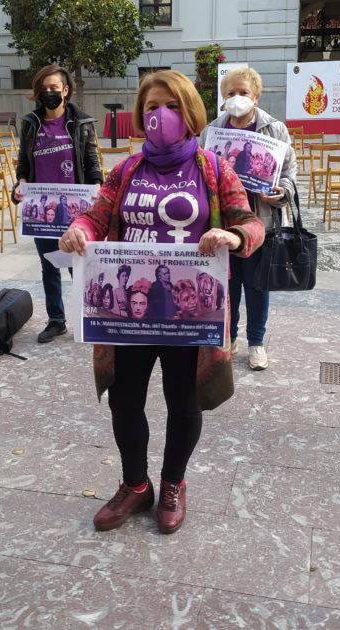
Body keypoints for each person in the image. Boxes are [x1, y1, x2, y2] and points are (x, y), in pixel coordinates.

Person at [60, 69, 264, 534]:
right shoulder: (127, 169)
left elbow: (253, 224)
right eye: (151, 107)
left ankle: (173, 483)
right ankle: (136, 485)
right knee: (125, 401)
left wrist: (231, 234)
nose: (160, 115)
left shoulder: (213, 169)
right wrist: (80, 230)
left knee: (183, 399)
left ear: (189, 112)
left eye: (170, 106)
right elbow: (97, 214)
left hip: (187, 316)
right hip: (130, 314)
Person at [201, 66, 297, 370]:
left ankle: (256, 343)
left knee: (257, 287)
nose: (237, 98)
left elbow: (290, 171)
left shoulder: (274, 129)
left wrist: (282, 191)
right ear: (223, 98)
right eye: (231, 93)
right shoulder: (212, 130)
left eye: (243, 93)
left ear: (255, 96)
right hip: (224, 226)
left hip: (262, 223)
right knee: (227, 287)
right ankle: (228, 338)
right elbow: (201, 171)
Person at [12, 64, 102, 344]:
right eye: (44, 88)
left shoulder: (82, 123)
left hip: (76, 211)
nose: (49, 93)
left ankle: (88, 319)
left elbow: (91, 161)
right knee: (49, 265)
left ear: (66, 90)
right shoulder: (30, 124)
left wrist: (97, 184)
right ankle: (56, 320)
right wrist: (21, 183)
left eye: (55, 88)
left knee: (78, 265)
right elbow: (23, 163)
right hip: (43, 211)